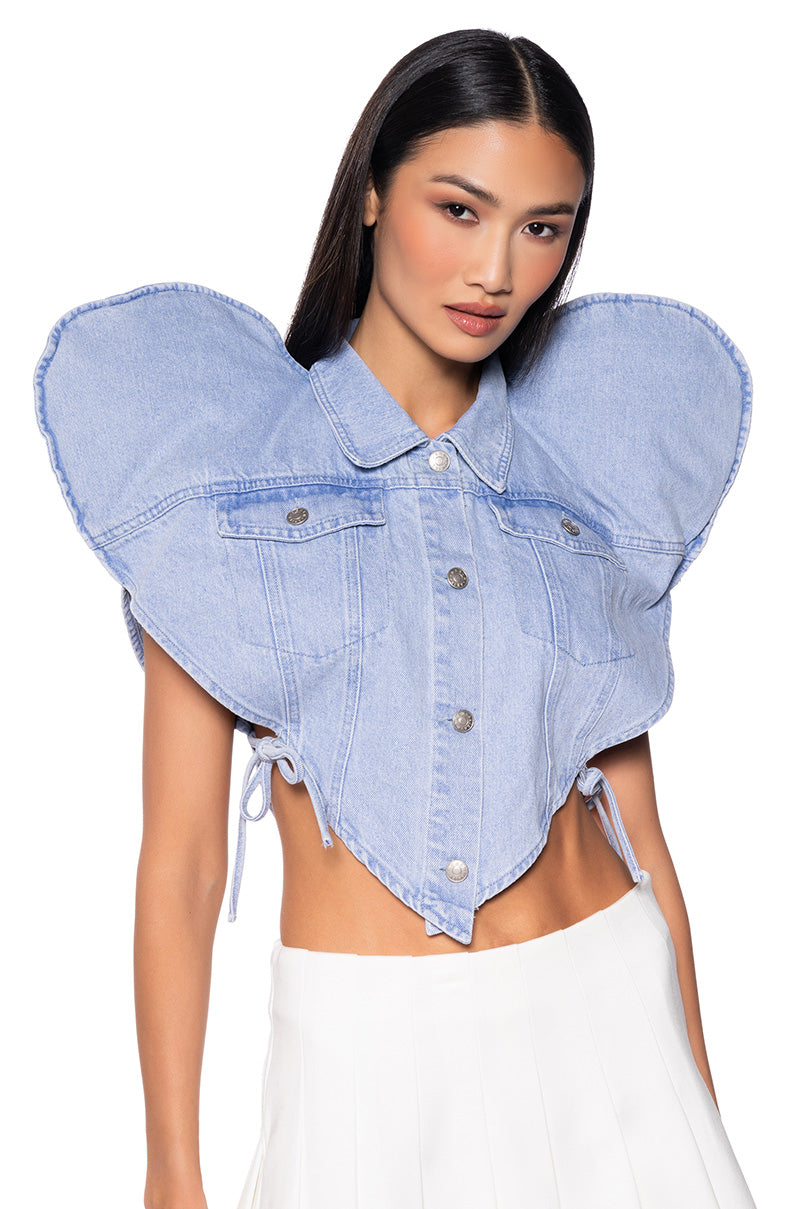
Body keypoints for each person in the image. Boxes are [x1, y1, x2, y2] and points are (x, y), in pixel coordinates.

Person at [35, 27, 757, 1209]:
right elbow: (182, 861)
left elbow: (640, 836)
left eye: (542, 228)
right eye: (458, 210)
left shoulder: (585, 475)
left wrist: (704, 1112)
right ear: (371, 191)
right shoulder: (221, 473)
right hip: (361, 1059)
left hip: (613, 1032)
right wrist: (171, 1167)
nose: (496, 272)